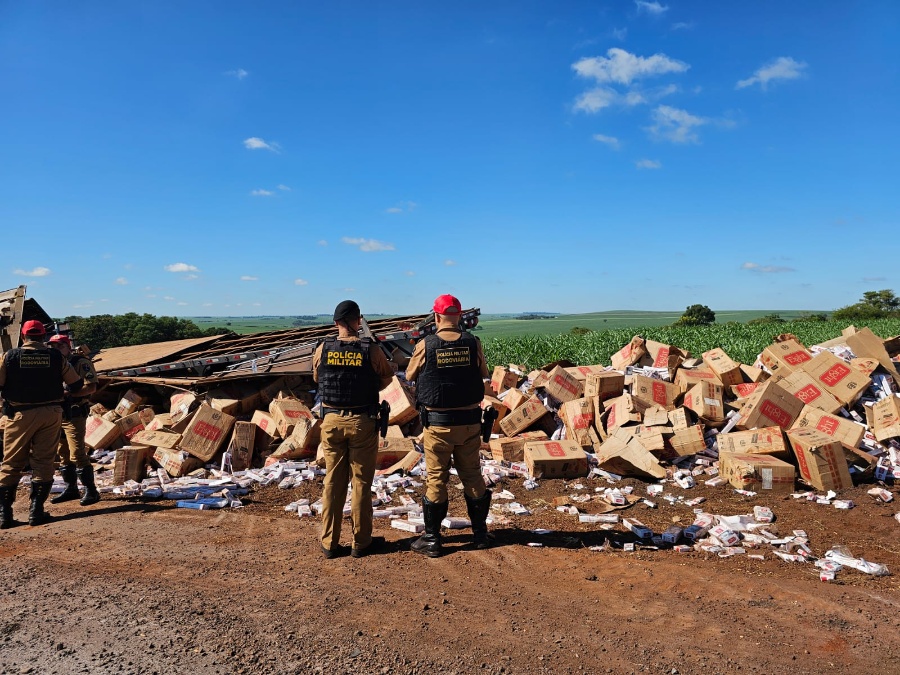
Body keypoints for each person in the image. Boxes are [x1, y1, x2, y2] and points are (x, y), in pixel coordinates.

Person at [405, 294, 491, 557]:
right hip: (469, 425)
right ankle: (480, 535)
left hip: (438, 427)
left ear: (437, 316)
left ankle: (432, 539)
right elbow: (483, 374)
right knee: (473, 476)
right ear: (459, 316)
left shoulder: (426, 345)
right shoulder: (472, 342)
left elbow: (409, 375)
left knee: (436, 479)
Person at [313, 300, 394, 559]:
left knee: (333, 483)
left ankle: (329, 544)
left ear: (336, 322)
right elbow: (387, 377)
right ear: (355, 321)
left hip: (332, 422)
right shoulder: (370, 349)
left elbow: (318, 378)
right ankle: (361, 542)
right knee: (361, 483)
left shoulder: (323, 348)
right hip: (362, 422)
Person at [0, 320, 84, 528]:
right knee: (44, 461)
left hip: (20, 415)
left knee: (11, 463)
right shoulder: (56, 357)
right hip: (51, 414)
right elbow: (76, 384)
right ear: (44, 337)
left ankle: (4, 514)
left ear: (23, 336)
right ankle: (36, 512)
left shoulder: (10, 356)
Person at [48, 335, 100, 506]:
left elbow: (91, 386)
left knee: (77, 453)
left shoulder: (79, 362)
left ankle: (91, 491)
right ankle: (71, 489)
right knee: (63, 453)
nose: (55, 349)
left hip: (74, 413)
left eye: (59, 346)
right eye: (53, 346)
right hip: (58, 414)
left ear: (67, 347)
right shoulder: (52, 363)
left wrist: (68, 394)